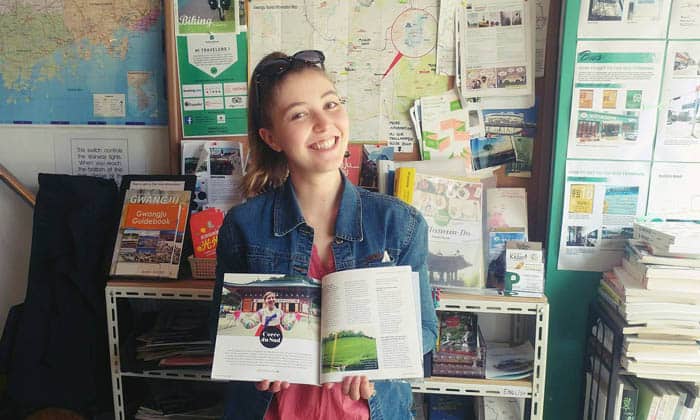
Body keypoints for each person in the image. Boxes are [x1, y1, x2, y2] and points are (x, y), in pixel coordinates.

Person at [213, 49, 439, 420]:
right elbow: (220, 334)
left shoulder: (399, 224)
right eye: (299, 114)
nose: (323, 123)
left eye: (331, 104)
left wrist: (377, 362)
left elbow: (425, 330)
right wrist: (254, 362)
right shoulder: (243, 227)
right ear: (272, 137)